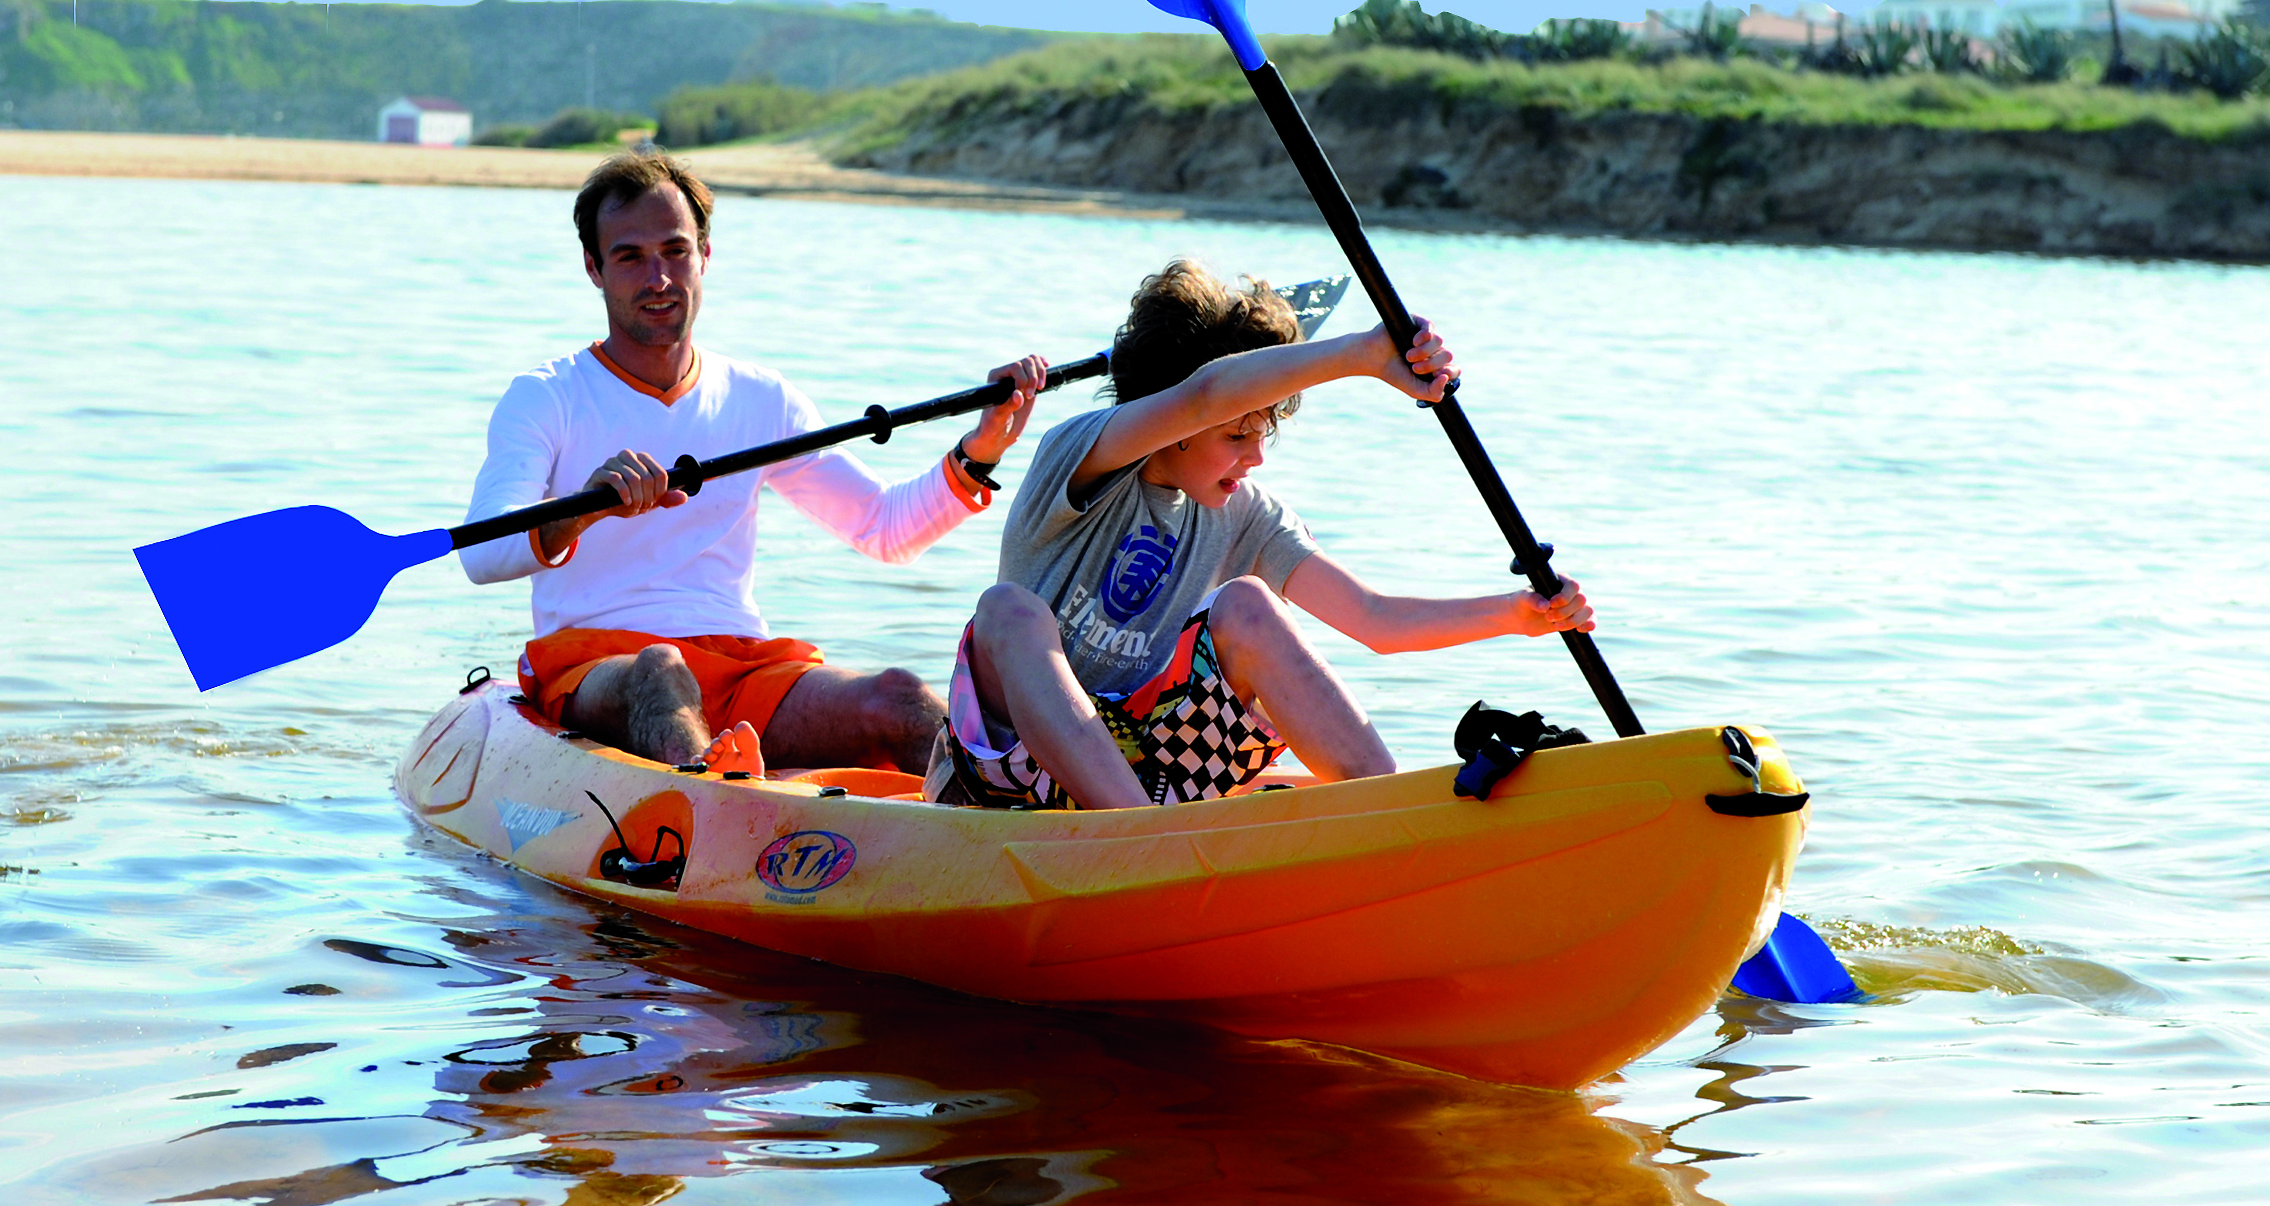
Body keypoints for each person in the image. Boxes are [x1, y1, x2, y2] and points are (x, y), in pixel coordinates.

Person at [926, 259, 1594, 810]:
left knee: (1247, 603)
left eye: (1264, 433)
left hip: (1150, 768)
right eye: (1238, 435)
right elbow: (1201, 395)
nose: (1256, 457)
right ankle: (1140, 843)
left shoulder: (1243, 513)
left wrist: (1518, 615)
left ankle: (1394, 817)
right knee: (1006, 613)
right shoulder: (1078, 453)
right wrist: (1363, 354)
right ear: (1175, 428)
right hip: (1003, 775)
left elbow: (1375, 619)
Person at [459, 152, 1049, 775]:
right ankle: (718, 803)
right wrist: (580, 511)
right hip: (596, 665)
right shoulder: (546, 396)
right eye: (630, 256)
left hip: (745, 666)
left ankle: (1010, 815)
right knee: (662, 672)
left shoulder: (761, 397)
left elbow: (884, 528)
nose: (659, 277)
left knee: (900, 696)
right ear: (593, 268)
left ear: (705, 256)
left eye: (676, 250)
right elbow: (482, 553)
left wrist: (983, 447)